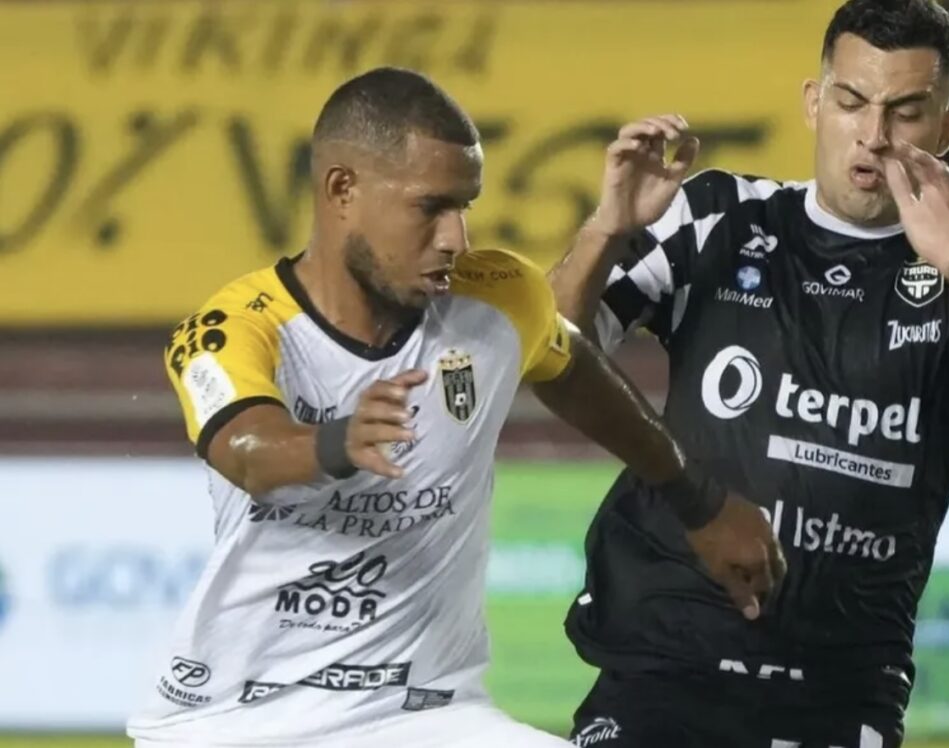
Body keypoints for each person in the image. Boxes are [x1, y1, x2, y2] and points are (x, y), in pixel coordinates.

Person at [125, 67, 782, 748]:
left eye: (464, 206)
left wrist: (700, 502)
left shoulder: (498, 299)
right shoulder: (235, 326)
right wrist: (333, 443)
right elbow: (246, 450)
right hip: (234, 719)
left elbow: (578, 378)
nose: (455, 238)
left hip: (424, 713)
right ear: (342, 190)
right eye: (430, 208)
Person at [551, 2, 949, 746]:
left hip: (844, 684)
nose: (874, 135)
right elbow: (553, 350)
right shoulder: (714, 214)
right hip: (666, 663)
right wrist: (606, 230)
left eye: (906, 112)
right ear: (813, 102)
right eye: (852, 101)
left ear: (947, 129)